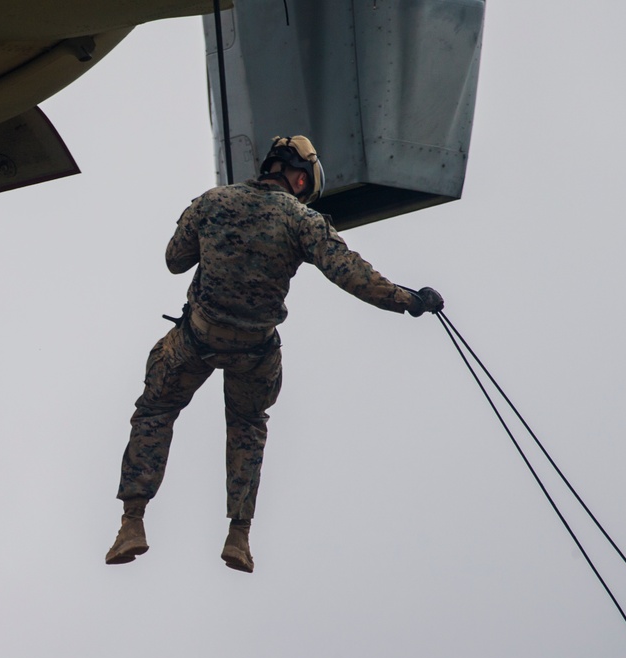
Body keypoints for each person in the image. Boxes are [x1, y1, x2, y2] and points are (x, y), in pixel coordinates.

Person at [105, 136, 443, 573]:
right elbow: (355, 277)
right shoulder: (303, 220)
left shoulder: (212, 201)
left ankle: (131, 524)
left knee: (155, 411)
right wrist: (410, 300)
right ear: (301, 179)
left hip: (197, 339)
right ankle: (238, 537)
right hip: (255, 350)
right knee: (247, 426)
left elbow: (175, 260)